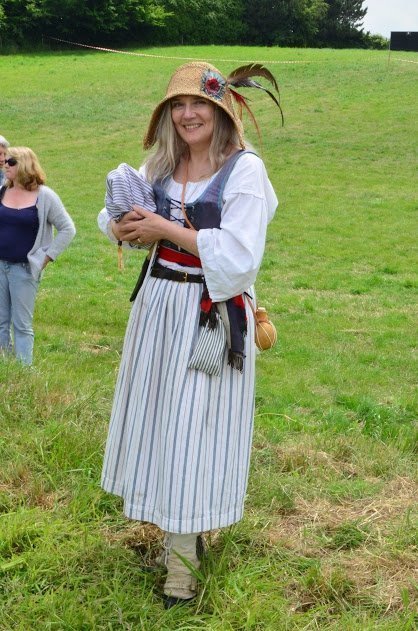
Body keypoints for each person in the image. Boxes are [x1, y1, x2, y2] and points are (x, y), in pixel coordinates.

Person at [99, 61, 280, 608]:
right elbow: (116, 218)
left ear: (221, 111)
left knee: (193, 430)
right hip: (157, 310)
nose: (187, 114)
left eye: (198, 104)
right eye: (177, 106)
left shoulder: (244, 171)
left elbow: (239, 256)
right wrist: (124, 226)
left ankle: (181, 566)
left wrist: (165, 228)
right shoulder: (160, 165)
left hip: (209, 314)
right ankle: (177, 536)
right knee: (161, 423)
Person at [0, 147, 76, 365]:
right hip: (0, 266)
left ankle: (24, 372)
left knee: (21, 325)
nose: (5, 164)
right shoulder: (2, 191)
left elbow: (68, 229)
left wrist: (46, 257)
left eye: (11, 161)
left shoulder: (45, 196)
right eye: (5, 160)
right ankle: (5, 369)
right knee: (0, 322)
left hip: (24, 269)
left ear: (25, 164)